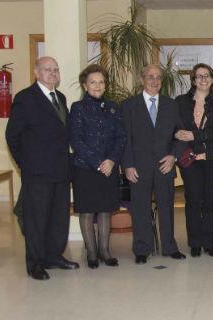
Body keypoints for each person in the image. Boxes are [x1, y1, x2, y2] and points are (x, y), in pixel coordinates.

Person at [5, 56, 79, 280]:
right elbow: (12, 136)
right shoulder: (25, 98)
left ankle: (54, 256)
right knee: (37, 220)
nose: (53, 73)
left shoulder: (61, 97)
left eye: (56, 70)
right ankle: (35, 263)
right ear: (36, 72)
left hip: (60, 170)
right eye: (48, 70)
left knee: (58, 217)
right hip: (36, 172)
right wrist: (25, 165)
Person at [121, 64, 186, 264]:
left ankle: (169, 246)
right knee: (140, 209)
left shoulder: (171, 105)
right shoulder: (128, 105)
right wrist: (127, 165)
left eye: (158, 77)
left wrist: (173, 157)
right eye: (150, 76)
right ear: (142, 79)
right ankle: (142, 249)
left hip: (164, 166)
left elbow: (182, 136)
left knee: (167, 208)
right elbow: (124, 139)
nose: (154, 81)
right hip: (138, 168)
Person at [69, 64, 125, 269]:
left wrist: (111, 160)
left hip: (109, 167)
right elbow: (76, 141)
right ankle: (91, 253)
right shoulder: (77, 108)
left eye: (101, 82)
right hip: (85, 168)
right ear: (85, 85)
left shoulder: (112, 106)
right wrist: (98, 163)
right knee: (87, 211)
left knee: (105, 210)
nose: (98, 85)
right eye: (93, 82)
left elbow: (121, 136)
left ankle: (104, 251)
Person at [174, 63, 213, 258]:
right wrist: (181, 135)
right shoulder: (180, 102)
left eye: (207, 76)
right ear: (193, 80)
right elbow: (175, 128)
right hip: (190, 160)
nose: (203, 79)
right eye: (199, 76)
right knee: (193, 201)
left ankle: (210, 243)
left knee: (210, 202)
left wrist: (194, 136)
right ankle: (195, 243)